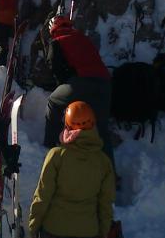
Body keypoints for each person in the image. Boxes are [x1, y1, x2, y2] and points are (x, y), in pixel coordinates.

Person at [29, 101, 116, 238]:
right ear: (92, 125)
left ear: (67, 126)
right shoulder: (103, 162)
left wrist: (34, 224)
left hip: (55, 229)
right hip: (87, 232)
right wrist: (103, 231)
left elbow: (43, 194)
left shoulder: (57, 155)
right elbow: (105, 203)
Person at [42, 15, 114, 168]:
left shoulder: (57, 41)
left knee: (53, 102)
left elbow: (54, 67)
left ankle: (49, 146)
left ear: (53, 29)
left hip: (82, 82)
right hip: (105, 83)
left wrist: (61, 86)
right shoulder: (82, 37)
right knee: (101, 128)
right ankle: (110, 172)